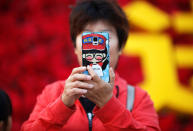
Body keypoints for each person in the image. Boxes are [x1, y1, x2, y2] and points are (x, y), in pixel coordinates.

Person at [22, 0, 160, 130]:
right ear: (75, 47)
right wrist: (62, 105)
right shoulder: (52, 94)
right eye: (87, 35)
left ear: (121, 47)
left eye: (105, 35)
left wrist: (108, 105)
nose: (96, 45)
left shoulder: (137, 98)